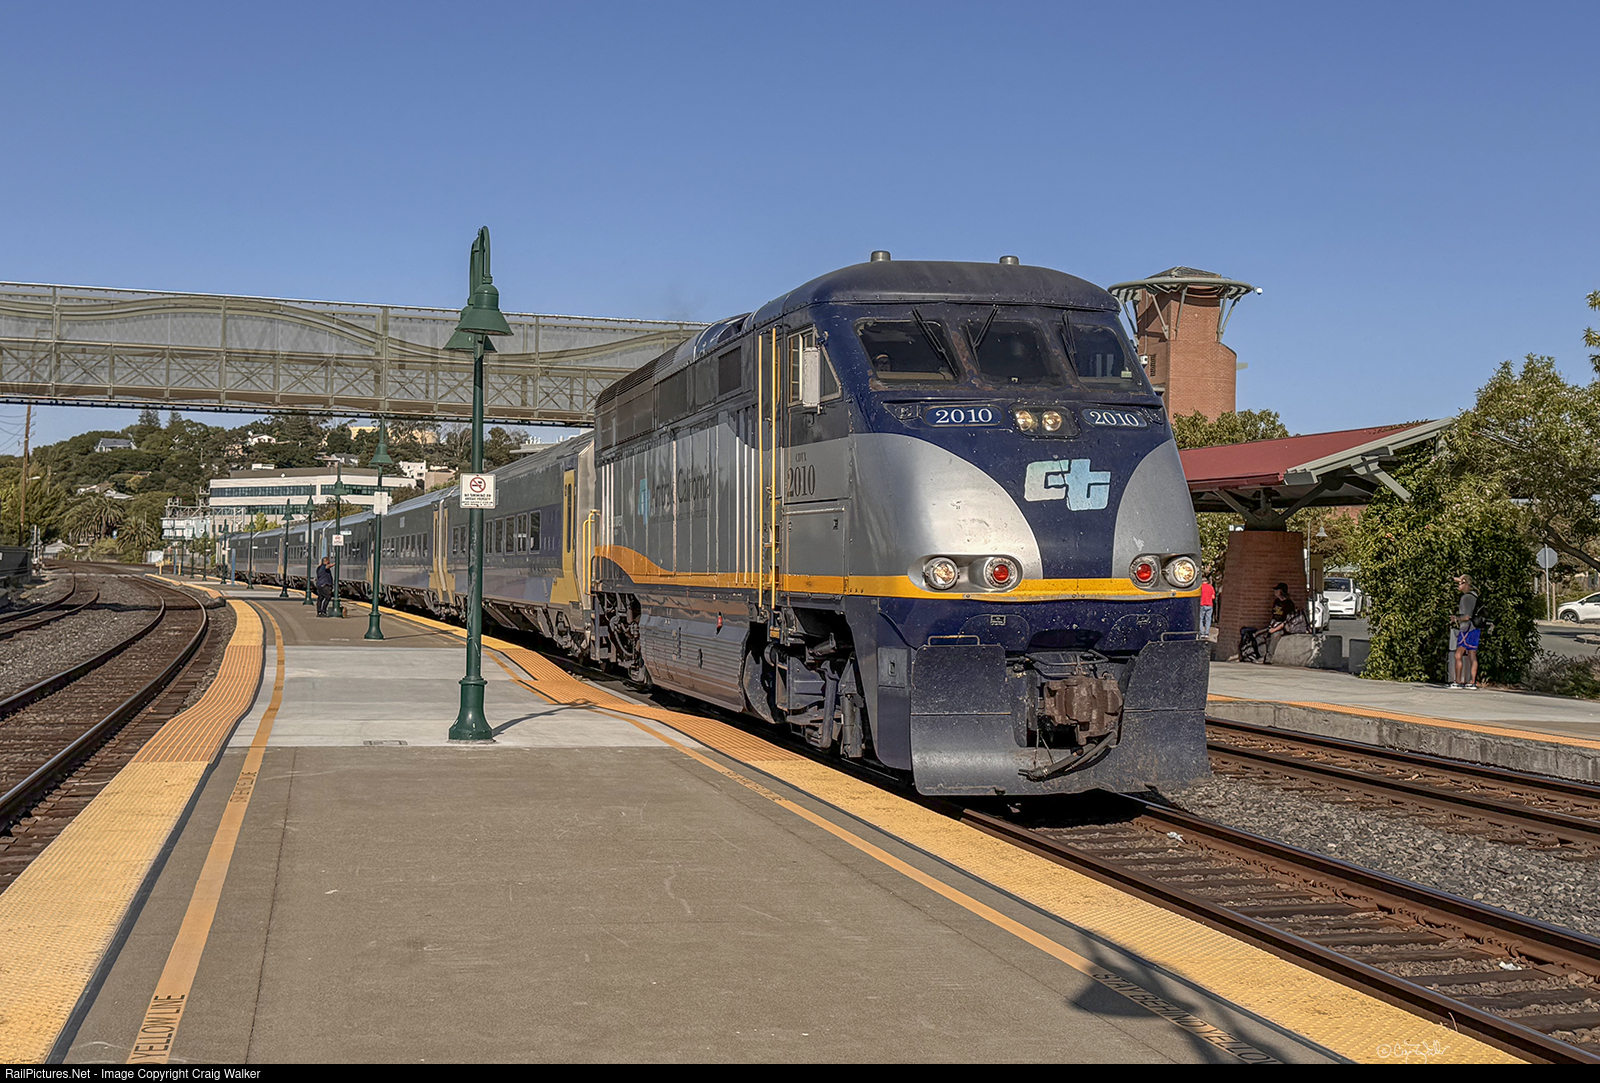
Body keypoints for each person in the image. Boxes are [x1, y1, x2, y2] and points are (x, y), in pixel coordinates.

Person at [1450, 573, 1481, 689]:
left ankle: (1457, 681)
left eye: (1460, 583)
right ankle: (1472, 681)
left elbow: (1466, 616)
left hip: (1466, 629)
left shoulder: (1466, 598)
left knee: (1458, 655)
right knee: (1472, 655)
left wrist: (1456, 618)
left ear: (1466, 584)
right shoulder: (1474, 596)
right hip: (1475, 629)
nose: (1458, 586)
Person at [1264, 582, 1299, 663]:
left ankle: (1269, 658)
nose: (1275, 592)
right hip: (1274, 624)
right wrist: (1271, 626)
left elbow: (1287, 622)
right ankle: (1260, 656)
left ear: (1281, 591)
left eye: (1277, 590)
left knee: (1275, 635)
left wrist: (1274, 629)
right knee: (1259, 635)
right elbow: (1273, 616)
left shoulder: (1288, 604)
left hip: (1283, 627)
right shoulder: (1276, 601)